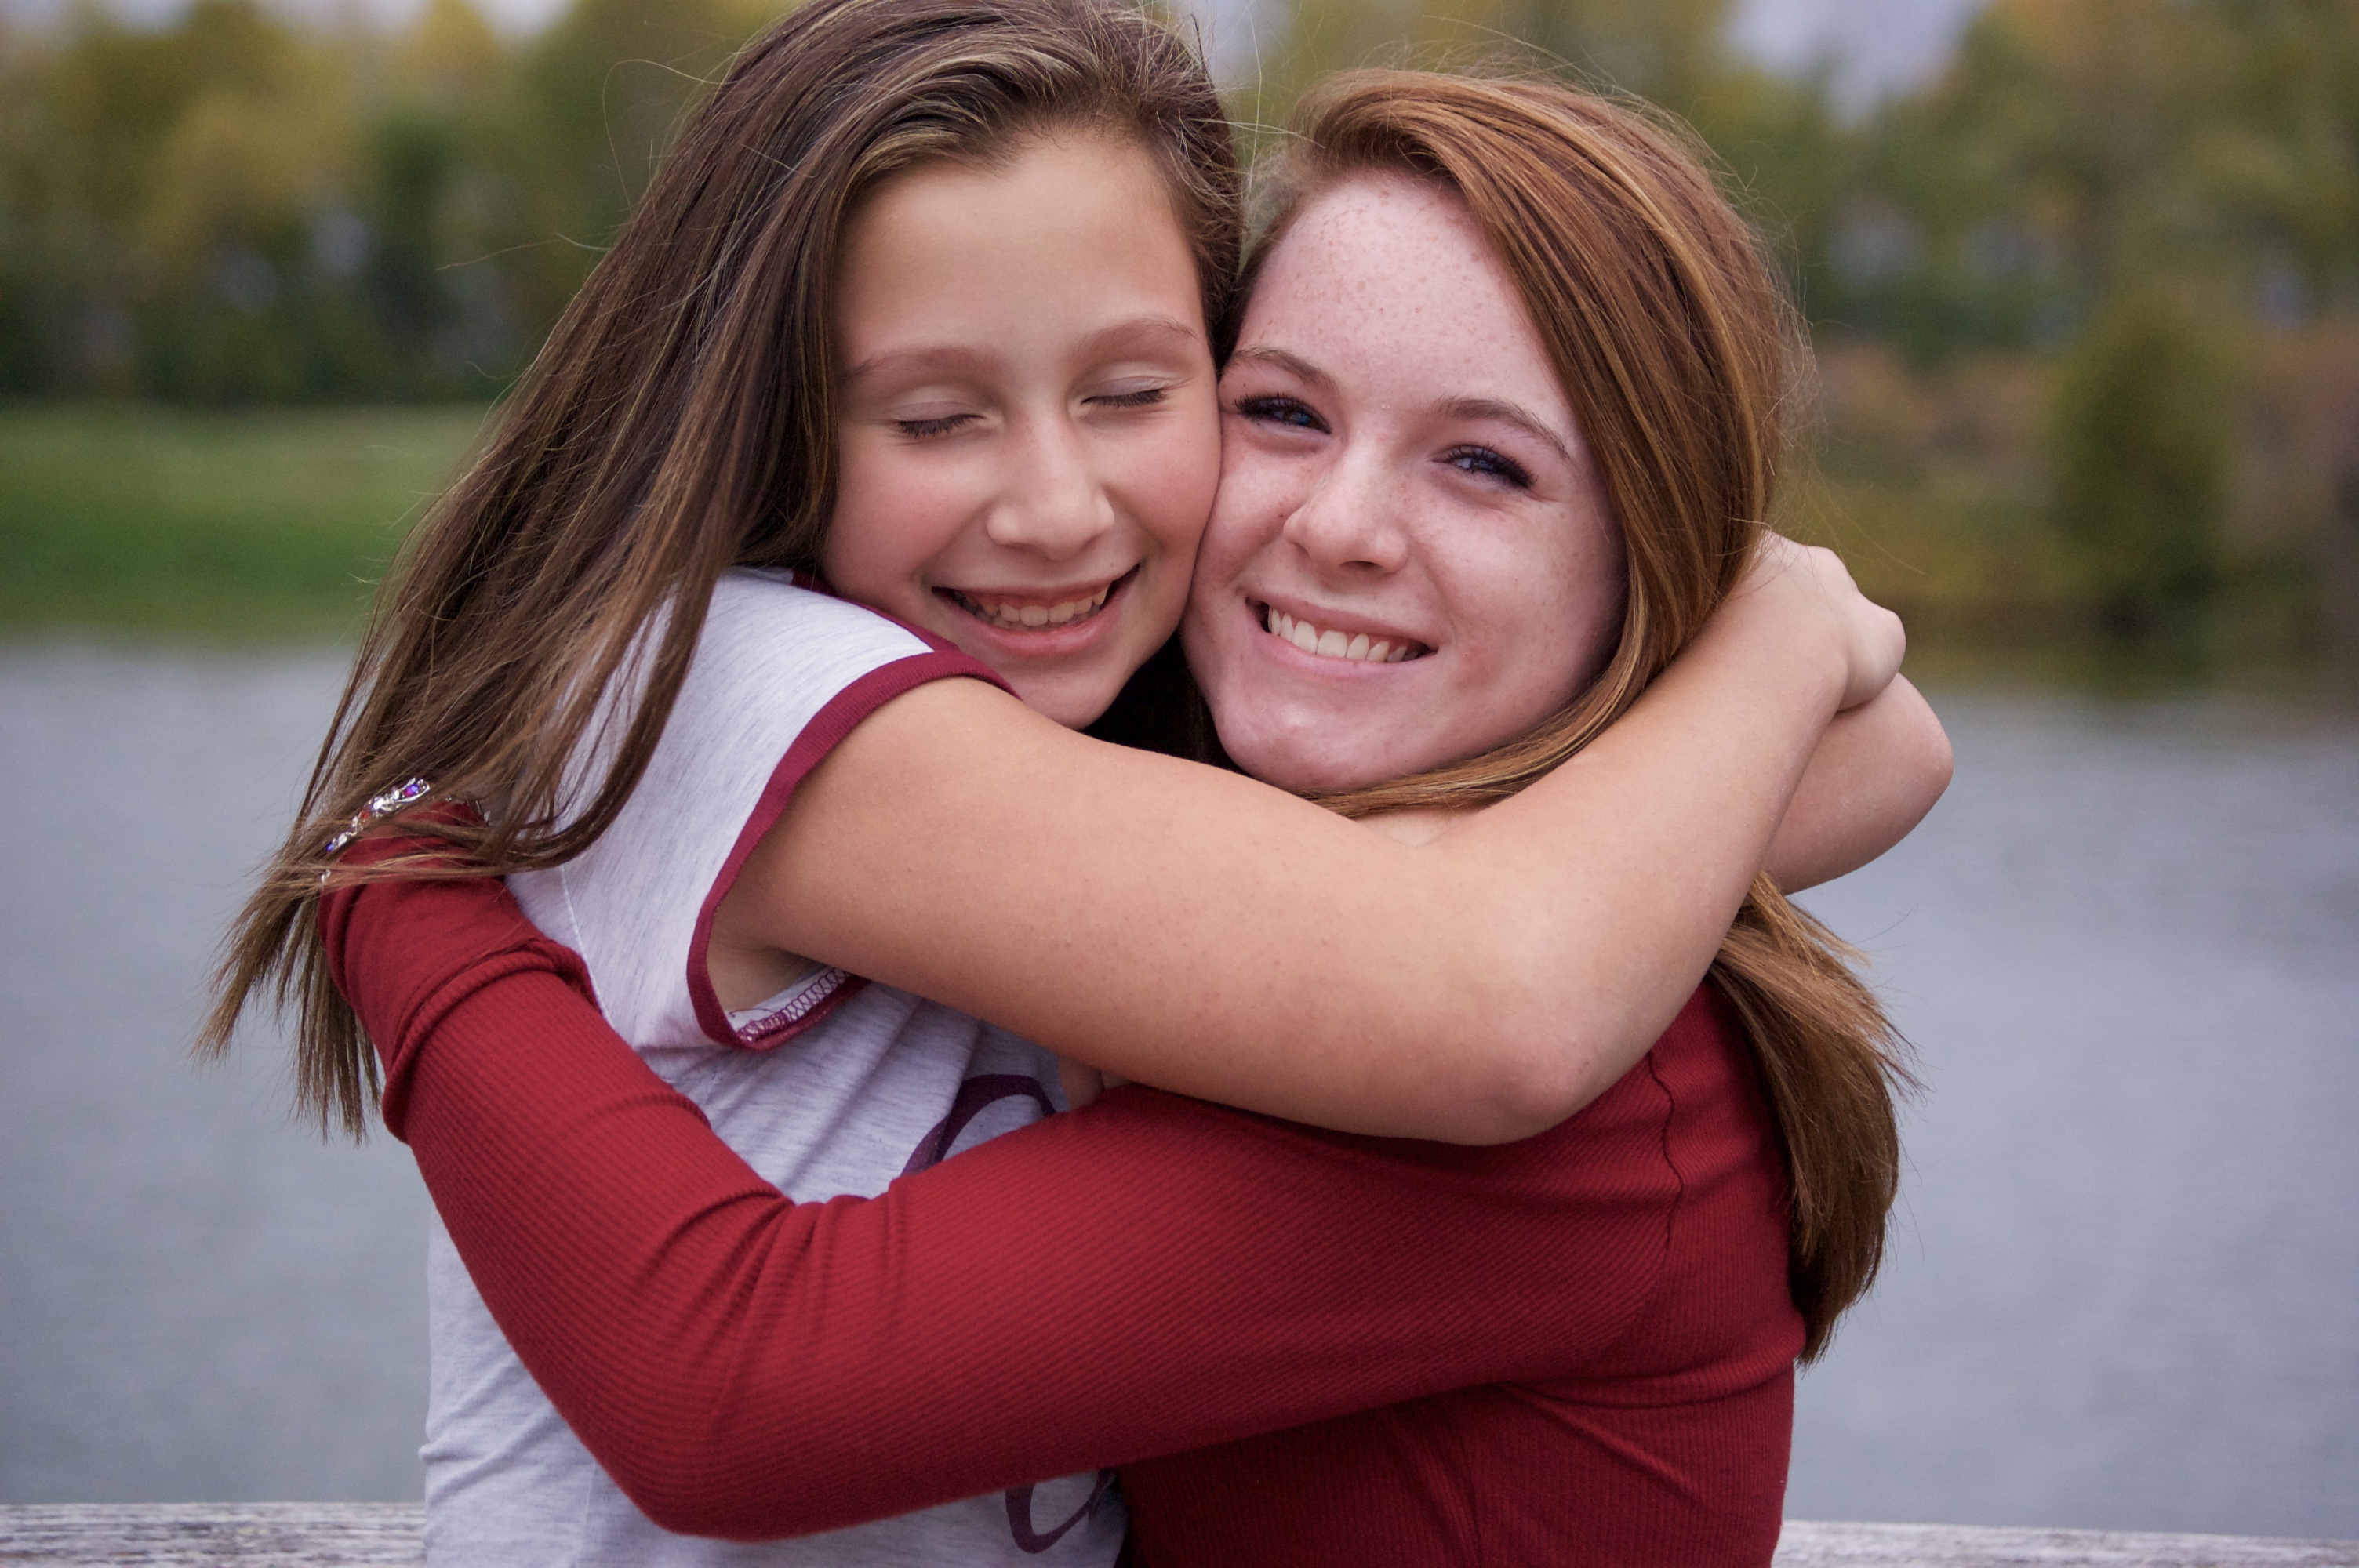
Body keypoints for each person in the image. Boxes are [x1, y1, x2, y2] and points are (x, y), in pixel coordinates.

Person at [212, 2, 1940, 1563]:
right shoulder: (828, 696)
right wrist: (1761, 668)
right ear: (778, 416)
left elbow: (1551, 947)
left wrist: (407, 911)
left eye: (1485, 464)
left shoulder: (1573, 1070)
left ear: (1660, 569)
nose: (1335, 526)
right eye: (1281, 412)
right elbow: (1489, 955)